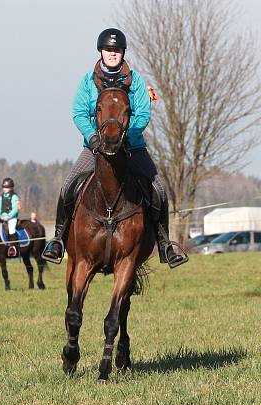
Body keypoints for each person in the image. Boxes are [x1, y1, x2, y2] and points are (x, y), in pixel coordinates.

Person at [42, 28, 187, 268]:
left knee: (159, 190)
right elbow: (79, 112)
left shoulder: (136, 80)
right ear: (101, 51)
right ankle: (57, 240)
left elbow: (142, 113)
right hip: (95, 148)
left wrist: (127, 135)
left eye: (117, 50)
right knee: (68, 185)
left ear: (123, 53)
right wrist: (92, 137)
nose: (112, 53)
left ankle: (165, 245)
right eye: (109, 49)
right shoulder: (87, 81)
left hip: (132, 147)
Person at [0, 177, 20, 257]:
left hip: (12, 218)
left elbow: (15, 209)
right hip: (2, 218)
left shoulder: (14, 197)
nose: (5, 189)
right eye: (4, 187)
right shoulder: (1, 197)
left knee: (11, 229)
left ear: (11, 188)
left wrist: (8, 216)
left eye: (7, 187)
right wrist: (0, 215)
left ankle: (13, 247)